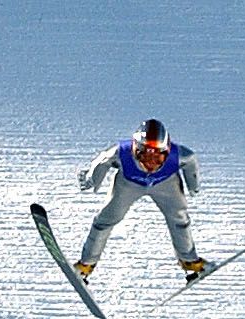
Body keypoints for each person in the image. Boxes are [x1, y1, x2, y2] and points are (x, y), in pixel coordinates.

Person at [74, 118, 207, 283]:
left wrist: (193, 185)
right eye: (145, 156)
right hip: (129, 183)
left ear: (166, 152)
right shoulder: (121, 152)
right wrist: (91, 180)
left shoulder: (179, 155)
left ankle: (190, 262)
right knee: (105, 220)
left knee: (180, 220)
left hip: (165, 184)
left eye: (157, 158)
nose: (150, 163)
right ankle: (86, 265)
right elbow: (103, 161)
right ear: (136, 150)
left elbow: (191, 162)